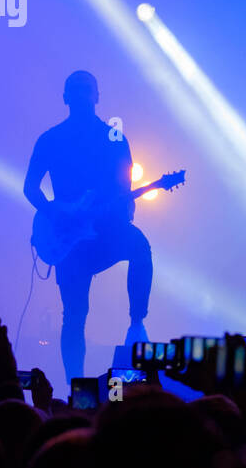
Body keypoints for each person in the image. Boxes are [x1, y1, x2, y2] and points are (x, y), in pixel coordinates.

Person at [23, 71, 152, 382]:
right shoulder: (50, 139)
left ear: (97, 96)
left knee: (140, 247)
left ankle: (136, 322)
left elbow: (124, 189)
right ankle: (74, 388)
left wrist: (122, 210)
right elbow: (30, 188)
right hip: (69, 236)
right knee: (74, 317)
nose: (81, 95)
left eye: (86, 90)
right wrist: (55, 213)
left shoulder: (115, 139)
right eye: (75, 90)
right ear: (66, 97)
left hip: (105, 231)